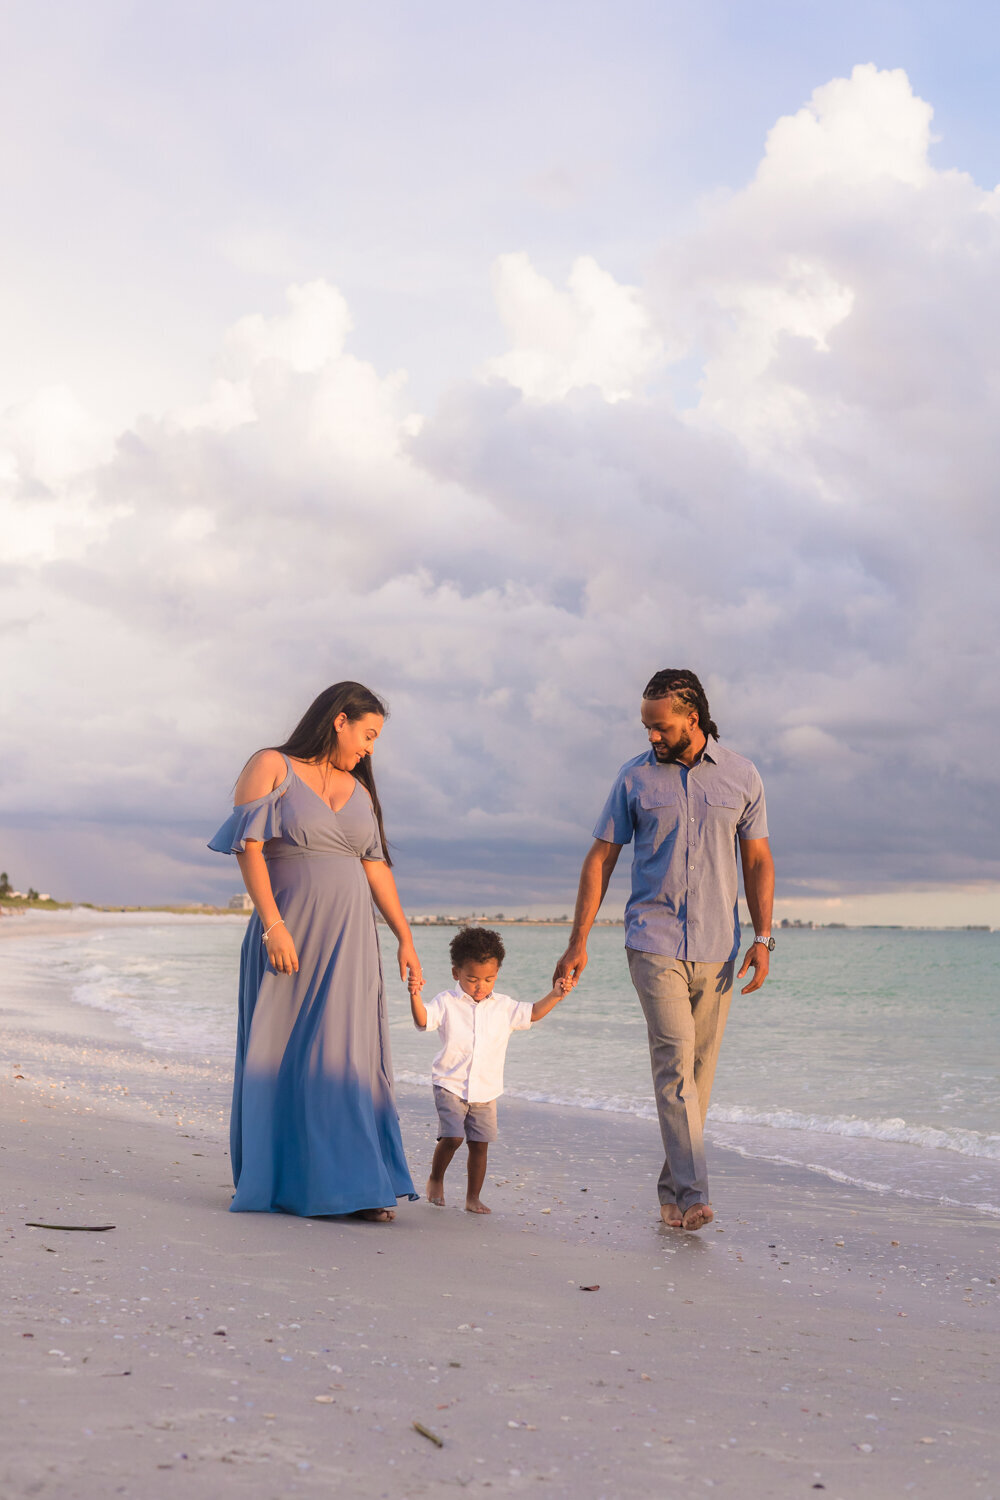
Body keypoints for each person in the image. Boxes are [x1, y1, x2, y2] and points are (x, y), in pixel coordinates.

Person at [554, 668, 774, 1233]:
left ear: (692, 716)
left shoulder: (742, 775)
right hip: (651, 941)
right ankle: (696, 1194)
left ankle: (671, 1194)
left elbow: (757, 861)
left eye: (662, 726)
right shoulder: (633, 779)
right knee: (674, 1060)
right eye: (647, 727)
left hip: (717, 946)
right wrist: (578, 941)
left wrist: (763, 937)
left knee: (699, 1074)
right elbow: (599, 858)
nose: (652, 736)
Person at [208, 681, 422, 1222]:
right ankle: (288, 1182)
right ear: (339, 720)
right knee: (280, 1056)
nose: (370, 748)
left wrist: (406, 937)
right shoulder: (271, 765)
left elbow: (375, 866)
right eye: (368, 734)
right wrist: (273, 926)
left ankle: (359, 1184)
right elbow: (249, 848)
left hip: (351, 941)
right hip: (288, 935)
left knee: (346, 1058)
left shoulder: (360, 792)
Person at [410, 926, 572, 1214]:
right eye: (472, 978)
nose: (480, 985)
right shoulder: (446, 1002)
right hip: (450, 1083)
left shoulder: (504, 1006)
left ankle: (473, 1198)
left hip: (486, 1090)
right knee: (453, 1137)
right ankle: (436, 1178)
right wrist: (414, 995)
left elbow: (533, 1012)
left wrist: (556, 994)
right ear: (455, 973)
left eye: (489, 979)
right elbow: (424, 1020)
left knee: (480, 1145)